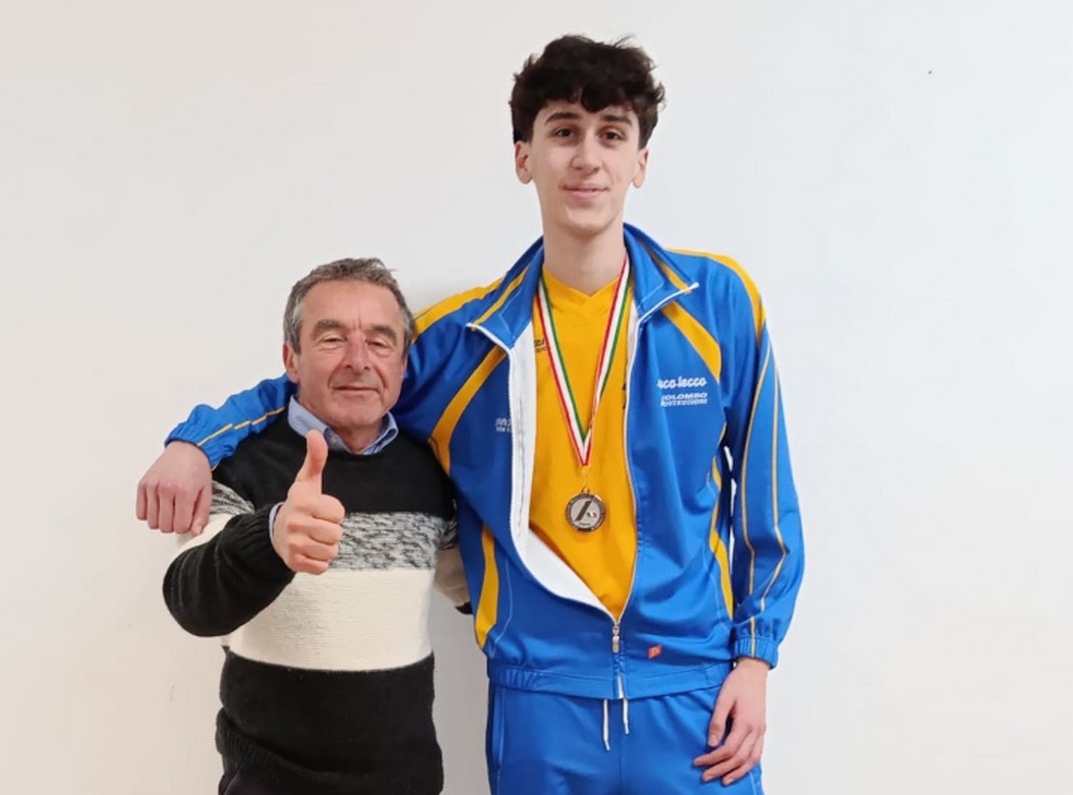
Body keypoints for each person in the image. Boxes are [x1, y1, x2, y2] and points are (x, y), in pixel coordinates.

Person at [141, 36, 804, 794]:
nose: (588, 158)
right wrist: (196, 441)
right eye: (564, 131)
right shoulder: (461, 342)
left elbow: (767, 506)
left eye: (612, 133)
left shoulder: (717, 307)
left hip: (694, 694)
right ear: (525, 157)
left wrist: (755, 659)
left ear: (641, 161)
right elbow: (334, 382)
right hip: (539, 700)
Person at [162, 258, 467, 795]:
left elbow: (479, 589)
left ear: (401, 364)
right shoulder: (239, 465)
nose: (358, 360)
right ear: (292, 360)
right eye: (331, 339)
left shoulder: (430, 474)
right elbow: (193, 601)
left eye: (379, 342)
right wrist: (271, 537)